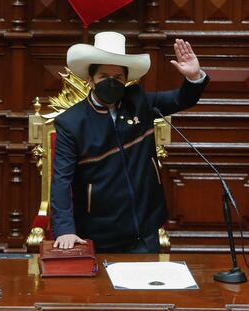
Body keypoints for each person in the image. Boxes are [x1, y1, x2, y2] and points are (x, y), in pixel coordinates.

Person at [51, 31, 209, 253]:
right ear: (90, 78)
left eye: (118, 78)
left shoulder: (139, 102)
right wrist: (64, 229)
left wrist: (193, 77)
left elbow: (180, 99)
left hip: (145, 227)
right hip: (99, 231)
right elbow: (61, 181)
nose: (111, 83)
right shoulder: (71, 123)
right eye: (104, 76)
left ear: (126, 80)